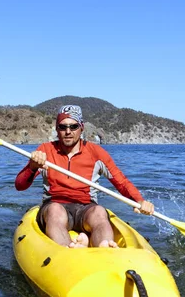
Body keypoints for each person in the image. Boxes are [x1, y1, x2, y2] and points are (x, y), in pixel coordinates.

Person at [15, 104, 154, 248]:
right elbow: (20, 185)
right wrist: (32, 167)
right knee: (55, 210)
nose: (68, 131)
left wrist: (139, 200)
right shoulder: (45, 150)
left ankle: (104, 247)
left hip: (86, 209)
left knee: (99, 212)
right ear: (57, 129)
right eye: (62, 127)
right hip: (54, 206)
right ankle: (69, 251)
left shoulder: (96, 153)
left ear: (81, 128)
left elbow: (121, 182)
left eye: (73, 126)